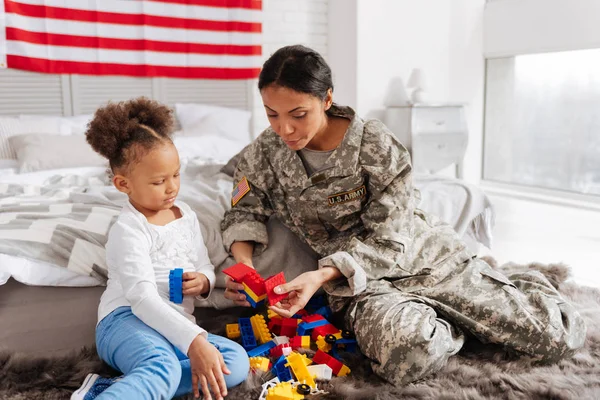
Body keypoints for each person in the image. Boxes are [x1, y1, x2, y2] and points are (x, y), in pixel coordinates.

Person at [221, 45, 586, 386]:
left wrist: (321, 274)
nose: (284, 128)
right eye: (272, 114)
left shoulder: (376, 144)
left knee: (558, 336)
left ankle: (507, 285)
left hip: (426, 262)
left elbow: (389, 236)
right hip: (359, 285)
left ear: (327, 98)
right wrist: (245, 268)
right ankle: (452, 321)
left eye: (298, 114)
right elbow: (244, 210)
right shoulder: (265, 152)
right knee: (406, 357)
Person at [72, 98, 249, 400]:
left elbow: (204, 264)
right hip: (126, 321)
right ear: (123, 183)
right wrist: (194, 343)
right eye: (158, 181)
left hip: (174, 326)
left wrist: (205, 281)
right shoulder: (129, 229)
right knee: (163, 365)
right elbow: (141, 299)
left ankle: (127, 387)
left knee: (234, 362)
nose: (171, 188)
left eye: (176, 175)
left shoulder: (187, 216)